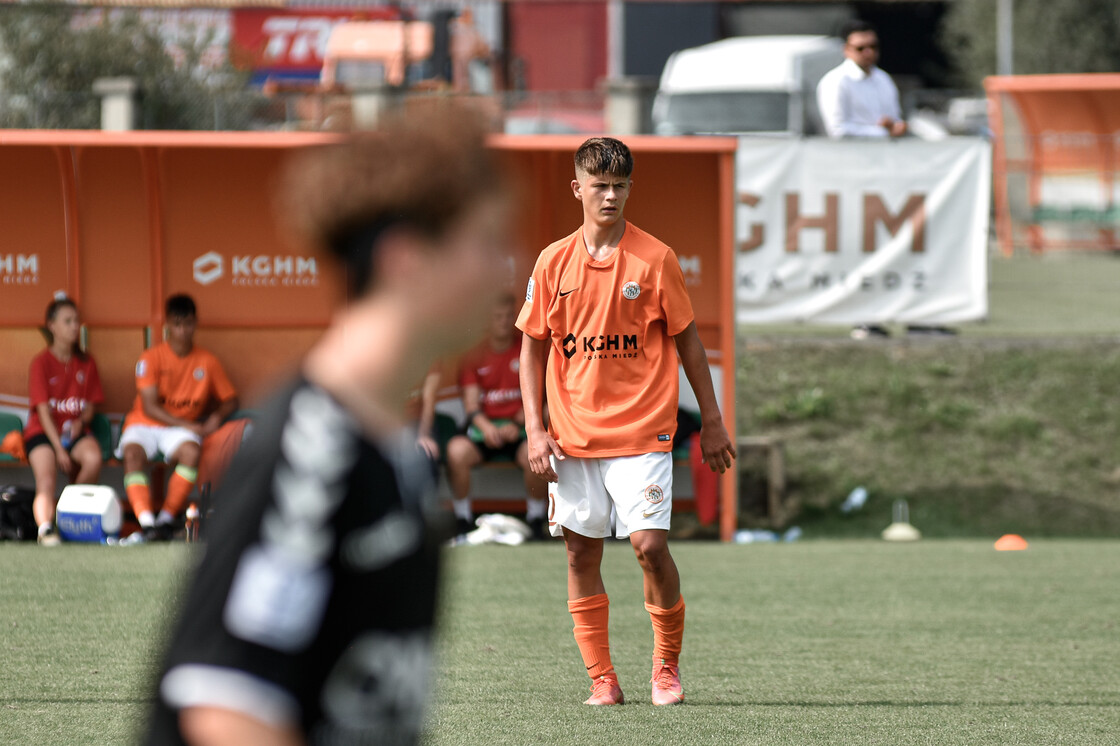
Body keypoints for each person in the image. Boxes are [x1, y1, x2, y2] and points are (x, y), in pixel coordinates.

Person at [142, 105, 508, 745]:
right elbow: (229, 713)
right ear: (407, 261)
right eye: (487, 240)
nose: (509, 263)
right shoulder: (310, 445)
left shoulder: (393, 450)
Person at [516, 137, 736, 707]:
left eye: (619, 186)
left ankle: (665, 667)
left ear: (629, 188)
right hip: (573, 435)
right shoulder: (552, 262)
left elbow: (689, 342)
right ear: (578, 189)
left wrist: (712, 422)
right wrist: (535, 430)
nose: (610, 195)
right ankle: (603, 679)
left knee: (648, 546)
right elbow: (533, 350)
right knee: (579, 552)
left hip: (643, 433)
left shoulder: (656, 259)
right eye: (599, 186)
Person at [118, 294, 239, 542]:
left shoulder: (207, 361)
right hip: (145, 424)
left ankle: (164, 520)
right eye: (177, 324)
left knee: (191, 452)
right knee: (132, 454)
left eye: (188, 324)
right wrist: (191, 425)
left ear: (195, 323)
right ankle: (146, 522)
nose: (182, 330)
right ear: (167, 324)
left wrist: (216, 417)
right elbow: (150, 408)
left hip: (178, 431)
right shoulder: (150, 358)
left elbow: (231, 400)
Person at [445, 292, 548, 539]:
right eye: (497, 316)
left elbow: (543, 400)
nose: (503, 321)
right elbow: (471, 405)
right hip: (485, 430)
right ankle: (463, 519)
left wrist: (518, 422)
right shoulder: (474, 354)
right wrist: (487, 427)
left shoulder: (526, 349)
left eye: (507, 316)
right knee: (456, 451)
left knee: (536, 453)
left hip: (520, 430)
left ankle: (535, 520)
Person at [24, 294, 104, 546]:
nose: (74, 327)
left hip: (74, 432)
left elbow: (91, 404)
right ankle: (46, 530)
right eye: (67, 321)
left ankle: (67, 516)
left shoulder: (86, 361)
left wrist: (83, 419)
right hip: (43, 433)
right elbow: (43, 411)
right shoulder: (41, 362)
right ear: (52, 326)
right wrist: (59, 449)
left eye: (76, 321)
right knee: (46, 478)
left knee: (93, 459)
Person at [816, 19, 907, 140]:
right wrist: (882, 132)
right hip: (851, 156)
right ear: (846, 50)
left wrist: (896, 126)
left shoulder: (883, 78)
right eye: (860, 48)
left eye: (873, 46)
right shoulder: (835, 81)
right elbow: (838, 131)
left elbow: (895, 119)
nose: (868, 52)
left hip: (885, 156)